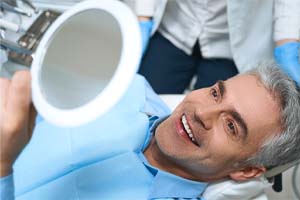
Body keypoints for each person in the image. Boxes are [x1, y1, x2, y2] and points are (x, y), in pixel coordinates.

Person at [0, 62, 300, 199]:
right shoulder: (126, 88)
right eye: (216, 93)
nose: (201, 113)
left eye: (231, 125)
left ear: (247, 170)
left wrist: (2, 166)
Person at [135, 0, 300, 94]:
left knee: (211, 127)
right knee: (141, 103)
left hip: (229, 45)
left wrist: (287, 42)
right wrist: (143, 15)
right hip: (174, 26)